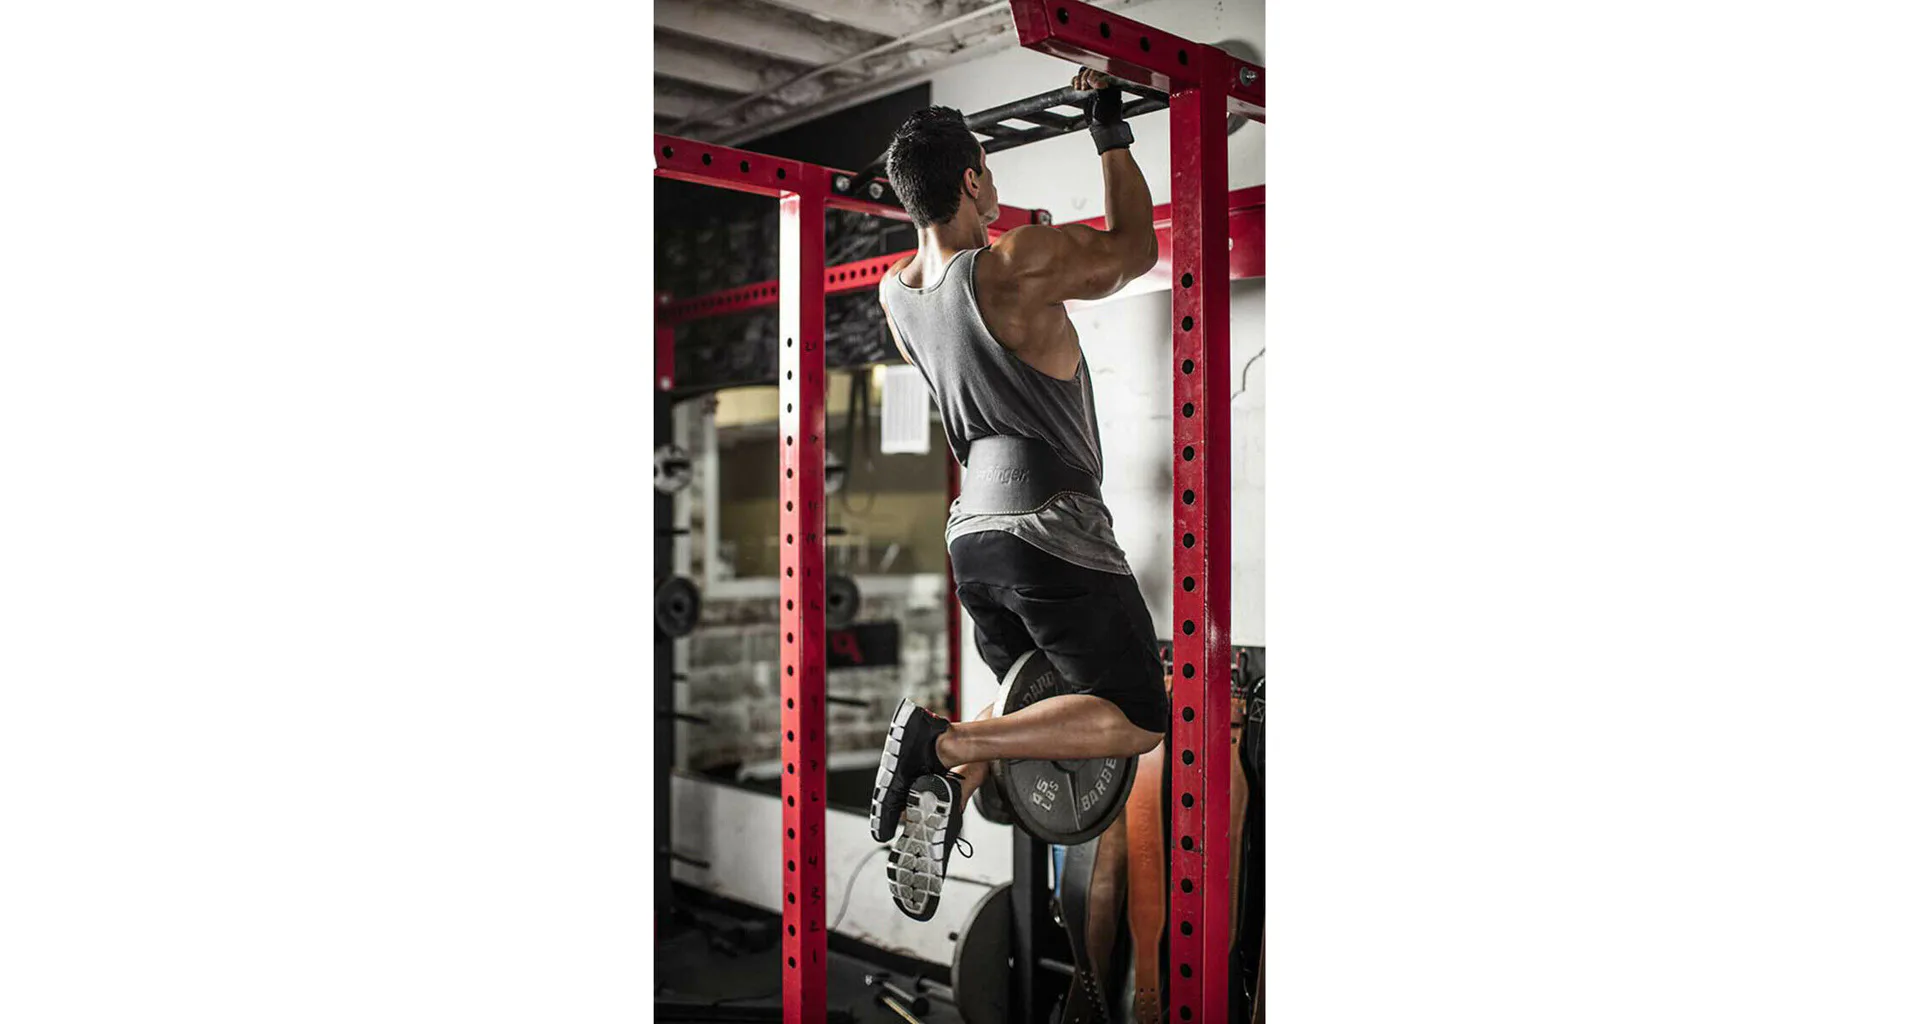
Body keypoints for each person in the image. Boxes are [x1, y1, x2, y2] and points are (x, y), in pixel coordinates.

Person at [871, 68, 1169, 921]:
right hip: (1050, 526)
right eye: (989, 170)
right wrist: (1108, 128)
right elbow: (1135, 250)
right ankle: (946, 744)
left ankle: (952, 781)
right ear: (971, 180)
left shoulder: (896, 294)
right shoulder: (1016, 263)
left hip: (974, 539)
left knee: (1039, 699)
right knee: (1138, 715)